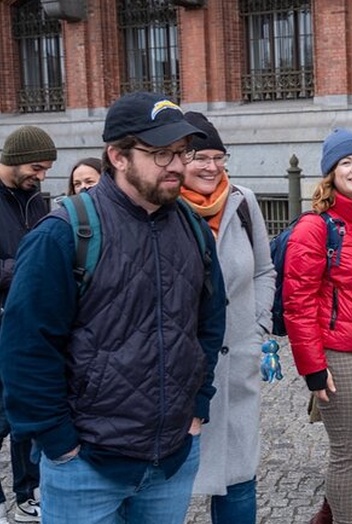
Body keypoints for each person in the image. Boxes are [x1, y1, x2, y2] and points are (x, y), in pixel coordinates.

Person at [0, 92, 227, 524]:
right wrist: (60, 444)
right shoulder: (62, 234)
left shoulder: (193, 230)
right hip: (85, 468)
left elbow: (209, 324)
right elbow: (25, 349)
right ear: (118, 156)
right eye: (161, 153)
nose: (178, 165)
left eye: (182, 152)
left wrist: (197, 407)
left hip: (171, 461)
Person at [283, 128, 352, 524]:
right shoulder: (315, 227)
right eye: (346, 162)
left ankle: (330, 509)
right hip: (338, 353)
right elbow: (297, 303)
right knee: (347, 452)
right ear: (329, 173)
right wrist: (313, 368)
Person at [179, 112, 276, 524]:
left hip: (237, 363)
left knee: (239, 480)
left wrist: (258, 329)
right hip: (182, 372)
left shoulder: (242, 201)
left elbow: (263, 270)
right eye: (201, 156)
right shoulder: (165, 208)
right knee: (172, 484)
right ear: (178, 159)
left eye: (219, 156)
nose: (211, 166)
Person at [0, 125, 56, 524]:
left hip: (27, 321)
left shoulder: (37, 199)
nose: (41, 176)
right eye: (37, 167)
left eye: (46, 169)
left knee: (25, 415)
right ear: (15, 159)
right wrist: (27, 267)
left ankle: (26, 495)